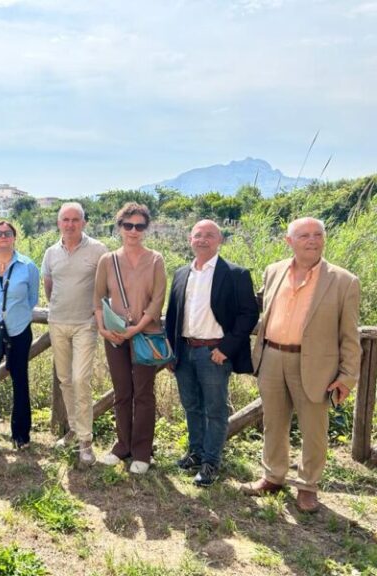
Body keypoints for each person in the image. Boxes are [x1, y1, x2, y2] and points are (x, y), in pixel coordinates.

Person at [240, 217, 361, 513]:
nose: (312, 240)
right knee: (274, 424)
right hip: (271, 358)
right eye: (304, 235)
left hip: (316, 365)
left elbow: (350, 334)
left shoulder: (344, 280)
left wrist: (347, 378)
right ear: (289, 241)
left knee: (314, 430)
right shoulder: (273, 271)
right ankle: (273, 476)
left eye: (317, 234)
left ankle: (307, 486)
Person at [165, 219, 259, 486]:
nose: (203, 239)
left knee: (215, 410)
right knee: (191, 406)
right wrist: (171, 350)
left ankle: (210, 462)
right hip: (184, 350)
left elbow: (249, 313)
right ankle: (194, 454)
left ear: (220, 241)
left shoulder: (235, 273)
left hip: (213, 353)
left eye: (209, 235)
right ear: (189, 240)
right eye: (198, 235)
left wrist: (226, 349)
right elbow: (172, 315)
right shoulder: (182, 273)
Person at [93, 204, 165, 474]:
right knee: (122, 392)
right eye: (128, 225)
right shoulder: (107, 260)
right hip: (114, 335)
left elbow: (158, 301)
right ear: (119, 227)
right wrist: (102, 328)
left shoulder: (156, 260)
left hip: (145, 334)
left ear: (146, 229)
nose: (133, 231)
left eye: (139, 226)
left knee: (144, 394)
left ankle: (142, 451)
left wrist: (136, 329)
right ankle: (122, 445)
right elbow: (98, 299)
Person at [42, 202, 107, 465]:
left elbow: (106, 286)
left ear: (84, 222)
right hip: (57, 322)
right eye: (65, 220)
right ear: (58, 223)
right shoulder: (50, 253)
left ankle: (86, 442)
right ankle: (73, 431)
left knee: (81, 379)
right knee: (65, 380)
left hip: (85, 324)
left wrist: (97, 312)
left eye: (75, 219)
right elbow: (48, 285)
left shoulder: (98, 250)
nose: (70, 224)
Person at [0, 221, 39, 449]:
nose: (3, 237)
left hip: (18, 328)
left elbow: (33, 298)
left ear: (14, 237)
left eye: (8, 233)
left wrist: (13, 314)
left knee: (20, 380)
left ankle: (21, 435)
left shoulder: (28, 266)